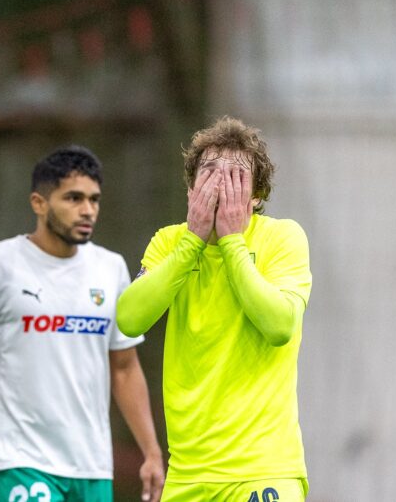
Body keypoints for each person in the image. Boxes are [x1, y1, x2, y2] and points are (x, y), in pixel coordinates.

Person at [0, 146, 165, 502]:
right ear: (39, 203)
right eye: (74, 198)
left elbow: (125, 368)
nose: (88, 210)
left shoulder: (110, 268)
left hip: (91, 466)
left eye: (94, 199)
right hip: (17, 459)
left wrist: (152, 452)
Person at [115, 116, 313, 502]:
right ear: (191, 188)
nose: (221, 183)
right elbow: (129, 318)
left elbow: (280, 325)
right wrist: (192, 241)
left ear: (257, 195)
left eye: (236, 176)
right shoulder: (170, 242)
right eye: (208, 173)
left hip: (261, 470)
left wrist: (233, 242)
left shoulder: (283, 237)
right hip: (187, 475)